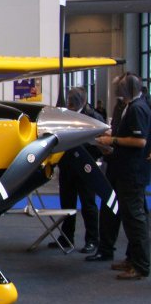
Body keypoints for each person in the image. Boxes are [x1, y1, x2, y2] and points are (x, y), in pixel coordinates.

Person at [88, 73, 150, 280]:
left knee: (134, 219)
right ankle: (133, 259)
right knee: (130, 217)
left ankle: (140, 265)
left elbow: (140, 141)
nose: (116, 91)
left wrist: (112, 140)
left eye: (120, 87)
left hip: (132, 172)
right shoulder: (129, 107)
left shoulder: (137, 109)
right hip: (124, 169)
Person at [56, 87, 104, 254]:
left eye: (73, 100)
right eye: (70, 100)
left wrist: (88, 156)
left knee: (88, 205)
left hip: (86, 167)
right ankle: (66, 237)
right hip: (67, 167)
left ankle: (92, 240)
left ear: (82, 101)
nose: (70, 103)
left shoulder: (93, 117)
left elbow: (100, 143)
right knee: (66, 204)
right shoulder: (64, 116)